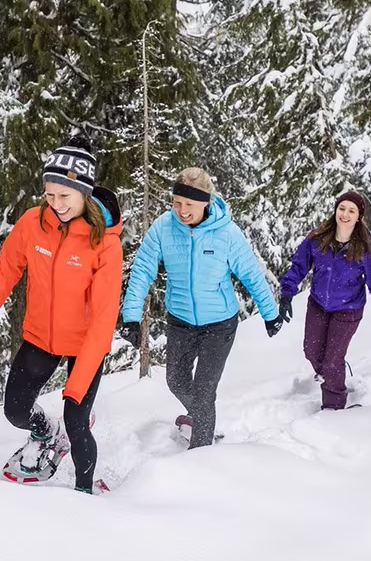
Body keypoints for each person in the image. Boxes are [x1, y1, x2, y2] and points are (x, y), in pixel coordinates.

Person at [0, 137, 123, 494]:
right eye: (50, 195)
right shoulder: (33, 223)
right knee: (15, 411)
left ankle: (84, 493)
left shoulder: (104, 242)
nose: (56, 204)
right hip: (41, 335)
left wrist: (75, 388)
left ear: (85, 193)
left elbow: (103, 317)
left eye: (65, 196)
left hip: (85, 343)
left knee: (77, 420)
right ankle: (47, 432)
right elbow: (7, 271)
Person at [118, 167, 283, 448]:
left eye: (189, 204)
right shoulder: (163, 228)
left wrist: (270, 313)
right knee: (176, 381)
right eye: (177, 202)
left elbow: (251, 274)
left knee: (205, 392)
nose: (182, 210)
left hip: (219, 324)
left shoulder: (227, 233)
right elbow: (143, 270)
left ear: (206, 202)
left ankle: (200, 453)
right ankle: (204, 418)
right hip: (180, 320)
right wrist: (131, 316)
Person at [278, 190, 371, 410]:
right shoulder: (318, 239)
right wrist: (287, 294)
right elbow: (299, 266)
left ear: (359, 216)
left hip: (349, 310)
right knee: (311, 351)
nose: (345, 214)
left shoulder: (365, 248)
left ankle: (333, 407)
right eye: (342, 208)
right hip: (318, 304)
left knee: (332, 361)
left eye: (351, 211)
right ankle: (334, 373)